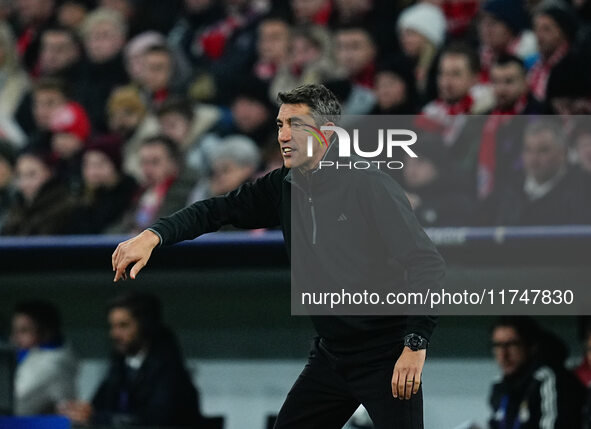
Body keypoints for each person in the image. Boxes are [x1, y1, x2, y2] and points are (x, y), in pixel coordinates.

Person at [112, 84, 446, 428]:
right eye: (279, 125)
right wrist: (154, 235)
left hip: (387, 355)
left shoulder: (369, 185)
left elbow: (426, 263)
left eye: (296, 125)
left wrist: (414, 345)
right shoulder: (282, 184)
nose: (284, 136)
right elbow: (216, 210)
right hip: (332, 355)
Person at [59, 291, 201, 426]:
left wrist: (98, 418)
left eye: (123, 326)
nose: (114, 334)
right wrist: (82, 412)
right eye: (112, 326)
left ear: (145, 326)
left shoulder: (169, 371)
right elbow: (98, 406)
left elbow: (156, 421)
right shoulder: (120, 366)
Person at [480, 120, 591, 225]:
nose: (534, 159)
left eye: (543, 150)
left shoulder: (583, 190)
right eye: (528, 150)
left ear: (562, 153)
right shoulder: (508, 188)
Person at [489, 316, 585, 429]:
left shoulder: (551, 379)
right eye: (497, 346)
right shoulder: (500, 384)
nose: (503, 355)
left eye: (512, 345)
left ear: (531, 346)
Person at [10, 299, 77, 416]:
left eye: (24, 331)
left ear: (46, 333)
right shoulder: (28, 358)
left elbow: (15, 402)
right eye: (14, 331)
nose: (14, 338)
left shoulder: (53, 364)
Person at [69, 135, 138, 234]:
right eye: (87, 165)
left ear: (115, 165)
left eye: (100, 164)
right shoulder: (82, 196)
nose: (92, 172)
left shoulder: (132, 194)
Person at [2, 149, 75, 235]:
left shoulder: (67, 209)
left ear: (50, 172)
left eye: (31, 174)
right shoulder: (16, 208)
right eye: (19, 175)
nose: (24, 183)